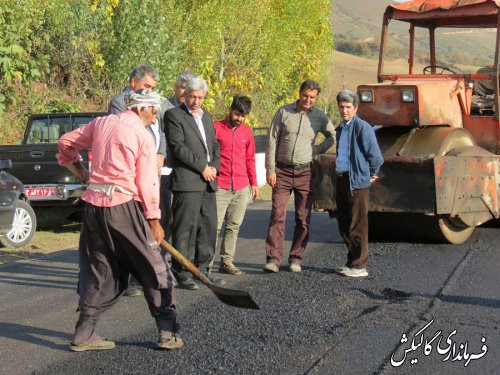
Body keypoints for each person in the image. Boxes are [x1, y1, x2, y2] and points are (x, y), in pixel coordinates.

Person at [58, 90, 183, 351]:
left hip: (94, 209)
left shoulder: (101, 123)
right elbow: (147, 182)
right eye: (153, 108)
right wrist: (154, 219)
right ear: (139, 109)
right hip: (123, 208)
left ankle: (83, 334)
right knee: (153, 266)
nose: (155, 113)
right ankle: (167, 333)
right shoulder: (142, 135)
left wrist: (79, 169)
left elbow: (65, 143)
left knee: (99, 269)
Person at [109, 64, 171, 297]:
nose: (149, 91)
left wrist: (160, 154)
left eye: (153, 88)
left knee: (153, 223)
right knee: (135, 229)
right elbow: (126, 134)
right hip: (131, 176)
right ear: (133, 82)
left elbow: (160, 133)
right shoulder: (121, 102)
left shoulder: (152, 103)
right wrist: (146, 156)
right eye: (146, 86)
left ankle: (147, 274)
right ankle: (130, 279)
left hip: (153, 171)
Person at [263, 79, 336, 273]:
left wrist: (316, 150)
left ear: (316, 98)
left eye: (312, 97)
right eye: (305, 95)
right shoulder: (284, 112)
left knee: (303, 218)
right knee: (277, 215)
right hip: (282, 171)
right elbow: (271, 140)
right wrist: (270, 169)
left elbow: (332, 136)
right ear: (299, 93)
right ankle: (273, 259)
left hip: (306, 172)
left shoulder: (320, 117)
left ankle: (296, 258)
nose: (308, 100)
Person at [165, 76, 225, 290]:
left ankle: (204, 270)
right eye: (192, 96)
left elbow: (214, 146)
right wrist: (203, 167)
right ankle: (183, 274)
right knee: (184, 229)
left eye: (200, 97)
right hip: (188, 181)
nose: (196, 101)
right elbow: (178, 147)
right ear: (185, 94)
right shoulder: (173, 115)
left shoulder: (207, 117)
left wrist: (215, 167)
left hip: (208, 181)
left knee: (208, 227)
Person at [334, 89, 384, 278]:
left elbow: (376, 157)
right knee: (344, 222)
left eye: (348, 107)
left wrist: (371, 174)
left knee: (358, 224)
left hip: (357, 181)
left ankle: (359, 266)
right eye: (341, 107)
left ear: (355, 108)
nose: (344, 110)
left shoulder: (363, 128)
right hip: (341, 178)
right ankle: (351, 261)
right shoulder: (341, 128)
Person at [213, 95, 259, 275]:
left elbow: (250, 159)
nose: (239, 119)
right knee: (214, 226)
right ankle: (206, 262)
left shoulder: (246, 132)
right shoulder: (215, 128)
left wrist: (254, 184)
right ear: (230, 109)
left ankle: (226, 261)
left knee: (233, 226)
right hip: (220, 185)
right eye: (237, 114)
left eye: (243, 116)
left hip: (241, 186)